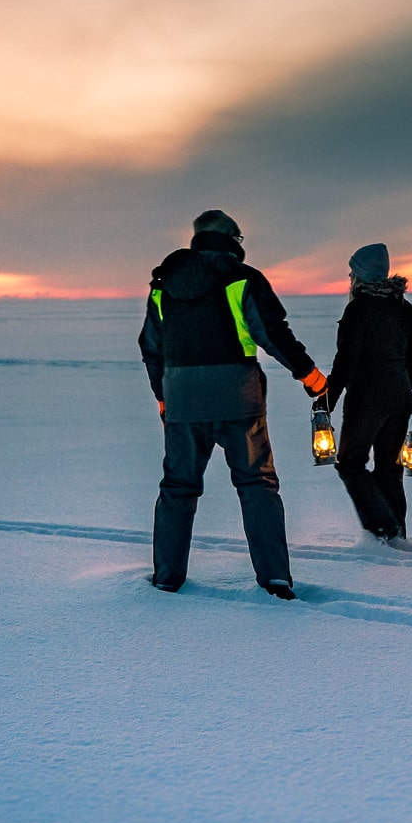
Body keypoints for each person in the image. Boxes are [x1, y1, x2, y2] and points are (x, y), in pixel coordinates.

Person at [139, 210, 327, 600]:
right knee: (257, 485)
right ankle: (275, 578)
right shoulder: (242, 277)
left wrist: (164, 397)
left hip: (182, 400)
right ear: (233, 239)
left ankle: (167, 577)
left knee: (177, 487)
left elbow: (150, 346)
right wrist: (310, 377)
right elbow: (272, 333)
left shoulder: (164, 282)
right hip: (239, 399)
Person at [327, 243, 412, 542]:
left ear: (361, 275)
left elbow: (346, 361)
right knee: (389, 467)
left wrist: (326, 399)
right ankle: (397, 535)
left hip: (367, 396)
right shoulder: (403, 307)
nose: (349, 275)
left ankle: (383, 526)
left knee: (350, 462)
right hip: (399, 394)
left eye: (352, 270)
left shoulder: (358, 309)